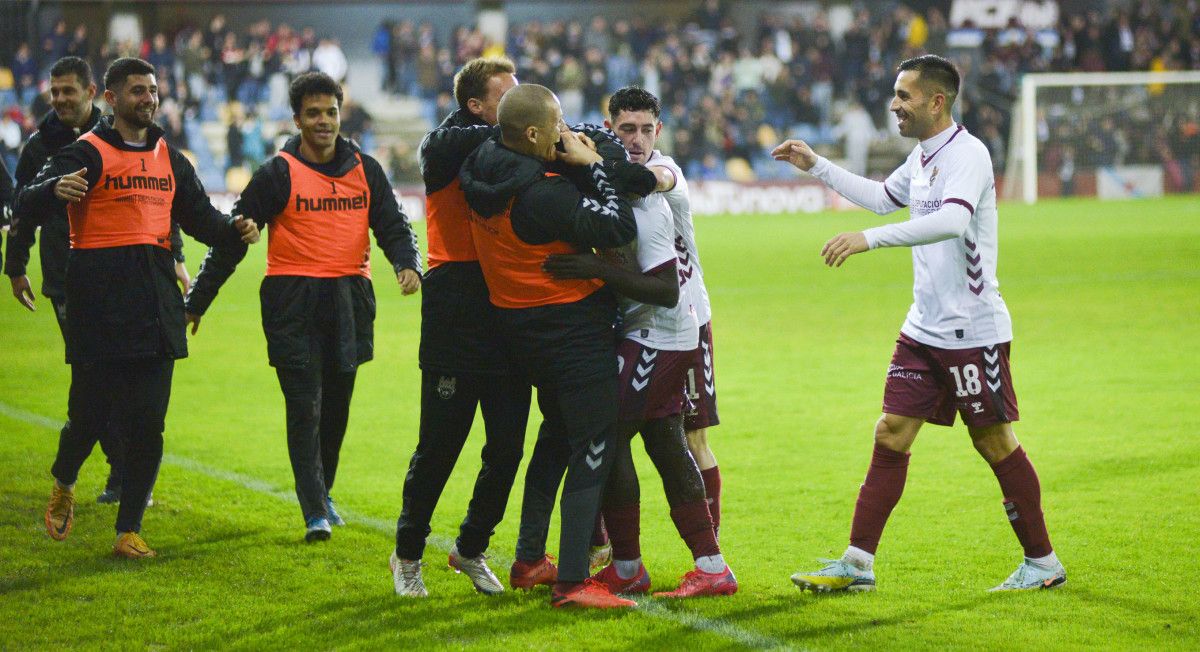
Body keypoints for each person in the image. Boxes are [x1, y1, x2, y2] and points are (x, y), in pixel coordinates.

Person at [772, 54, 1065, 592]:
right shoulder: (923, 156)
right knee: (891, 432)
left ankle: (1043, 563)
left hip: (971, 330)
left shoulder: (968, 154)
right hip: (923, 329)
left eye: (904, 96)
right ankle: (857, 564)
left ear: (937, 101)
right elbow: (883, 199)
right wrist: (817, 165)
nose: (894, 104)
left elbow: (953, 221)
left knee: (995, 441)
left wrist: (868, 240)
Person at [17, 57, 260, 558]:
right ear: (110, 98)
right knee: (89, 415)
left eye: (152, 89)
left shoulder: (169, 157)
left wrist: (238, 228)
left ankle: (128, 529)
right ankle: (65, 480)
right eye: (136, 91)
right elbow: (22, 202)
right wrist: (51, 190)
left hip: (154, 303)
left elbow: (202, 219)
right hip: (98, 303)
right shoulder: (86, 151)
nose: (147, 98)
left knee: (149, 422)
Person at [184, 72, 421, 543]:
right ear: (296, 118)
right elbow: (233, 239)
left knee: (336, 408)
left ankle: (323, 492)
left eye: (330, 111)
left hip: (349, 299)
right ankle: (314, 509)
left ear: (340, 113)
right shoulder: (277, 173)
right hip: (292, 300)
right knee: (305, 406)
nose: (323, 121)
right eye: (313, 113)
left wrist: (406, 262)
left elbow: (393, 224)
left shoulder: (365, 168)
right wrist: (198, 301)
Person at [459, 83, 656, 608]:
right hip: (568, 328)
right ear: (531, 133)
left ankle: (528, 560)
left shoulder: (482, 162)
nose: (564, 132)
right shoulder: (545, 194)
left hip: (518, 326)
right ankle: (573, 581)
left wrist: (574, 150)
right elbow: (616, 228)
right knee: (593, 443)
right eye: (556, 125)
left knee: (555, 437)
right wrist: (592, 165)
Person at [540, 86, 737, 599]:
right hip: (652, 328)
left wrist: (593, 266)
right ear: (611, 127)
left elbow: (665, 286)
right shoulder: (617, 186)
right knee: (665, 439)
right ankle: (695, 564)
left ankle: (632, 562)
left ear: (660, 130)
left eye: (646, 128)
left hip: (664, 326)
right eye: (626, 129)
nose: (637, 139)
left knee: (612, 437)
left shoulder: (653, 189)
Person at [5, 57, 192, 506]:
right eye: (54, 93)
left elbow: (158, 200)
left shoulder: (120, 138)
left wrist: (178, 256)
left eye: (68, 91)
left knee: (121, 384)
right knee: (96, 385)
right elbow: (22, 210)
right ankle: (101, 473)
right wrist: (15, 267)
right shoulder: (40, 146)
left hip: (131, 280)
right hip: (70, 280)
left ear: (92, 93)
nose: (60, 100)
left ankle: (120, 477)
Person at [391, 57, 531, 597]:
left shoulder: (511, 144)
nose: (519, 109)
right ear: (475, 105)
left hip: (508, 307)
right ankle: (406, 554)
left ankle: (470, 549)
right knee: (441, 444)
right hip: (454, 308)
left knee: (507, 448)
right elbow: (443, 148)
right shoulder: (443, 147)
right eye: (507, 98)